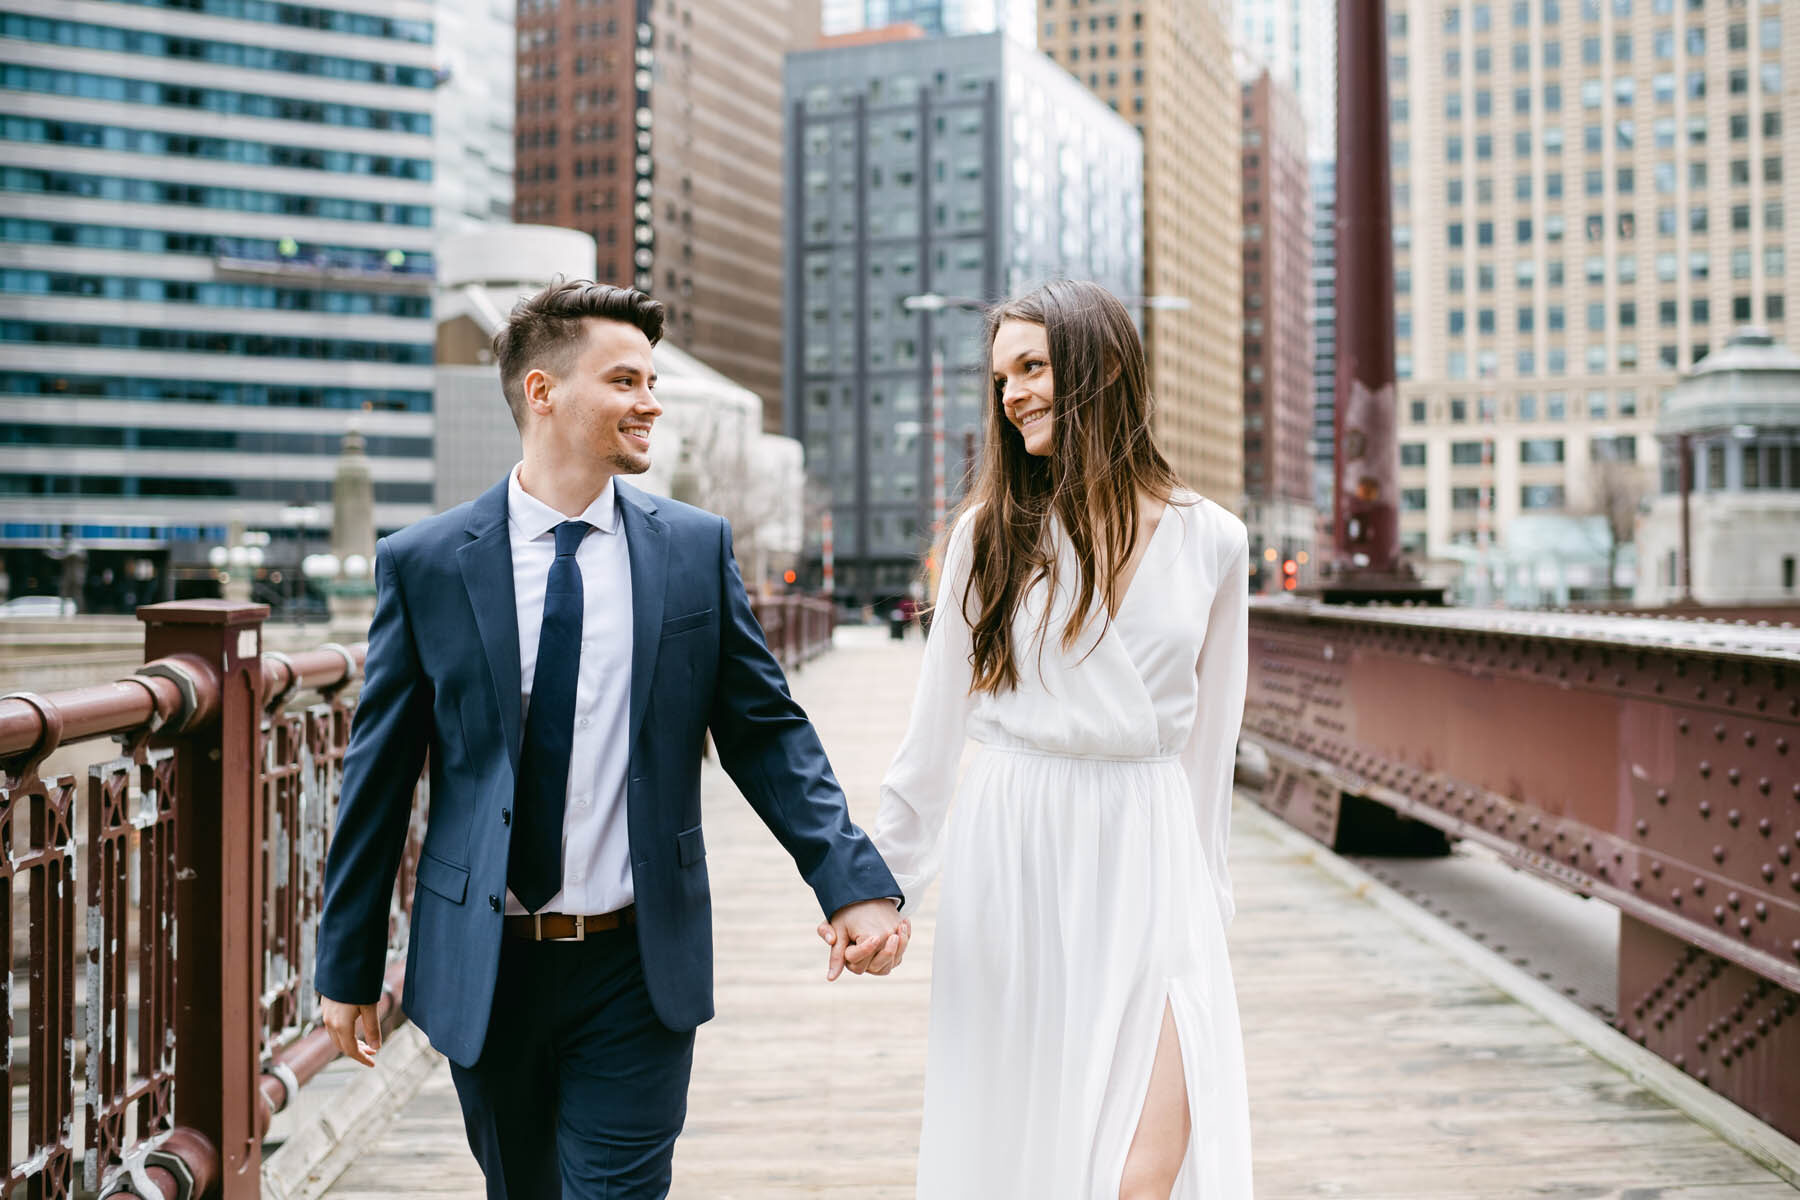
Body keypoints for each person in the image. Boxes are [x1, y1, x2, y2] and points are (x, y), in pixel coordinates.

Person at [315, 280, 910, 1200]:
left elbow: (766, 734)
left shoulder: (691, 550)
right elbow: (378, 778)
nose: (651, 403)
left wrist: (852, 882)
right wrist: (347, 966)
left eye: (652, 380)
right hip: (486, 963)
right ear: (543, 392)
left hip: (638, 962)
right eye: (626, 380)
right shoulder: (427, 562)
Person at [860, 280, 1253, 1198]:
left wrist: (1209, 907)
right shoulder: (989, 537)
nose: (1012, 396)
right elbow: (931, 740)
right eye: (1001, 378)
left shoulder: (1214, 543)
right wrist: (883, 889)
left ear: (1101, 365)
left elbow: (1211, 756)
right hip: (1015, 852)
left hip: (1152, 862)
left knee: (1141, 1176)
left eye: (1032, 367)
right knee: (1018, 1148)